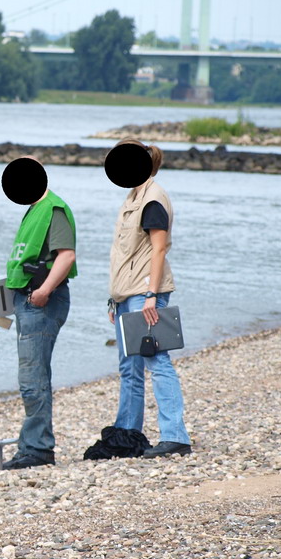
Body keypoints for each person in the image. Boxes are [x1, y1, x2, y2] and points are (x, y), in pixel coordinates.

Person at [105, 139, 191, 458]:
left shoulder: (154, 198)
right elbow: (125, 252)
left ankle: (175, 435)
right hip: (127, 295)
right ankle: (128, 433)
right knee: (129, 367)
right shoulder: (132, 197)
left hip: (145, 294)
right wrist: (114, 300)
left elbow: (159, 248)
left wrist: (152, 296)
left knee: (158, 361)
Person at [0, 157, 77, 469]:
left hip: (42, 299)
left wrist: (44, 292)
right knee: (31, 375)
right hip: (27, 298)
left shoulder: (53, 208)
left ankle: (38, 449)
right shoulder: (35, 208)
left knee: (33, 378)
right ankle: (33, 445)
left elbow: (67, 254)